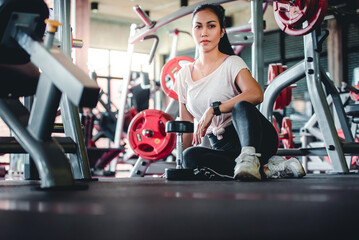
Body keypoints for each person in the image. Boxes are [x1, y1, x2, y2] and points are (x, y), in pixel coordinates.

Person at [173, 3, 305, 180]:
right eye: (198, 26)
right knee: (190, 158)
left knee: (241, 105)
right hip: (223, 148)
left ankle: (251, 159)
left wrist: (214, 109)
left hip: (256, 139)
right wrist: (179, 165)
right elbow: (187, 127)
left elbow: (256, 94)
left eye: (211, 26)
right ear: (192, 31)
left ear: (221, 31)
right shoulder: (184, 75)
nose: (204, 32)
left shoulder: (232, 63)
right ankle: (268, 169)